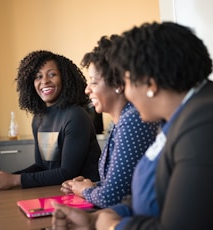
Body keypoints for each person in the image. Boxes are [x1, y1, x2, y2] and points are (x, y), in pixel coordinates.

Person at [51, 22, 213, 230]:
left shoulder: (212, 124)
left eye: (126, 82)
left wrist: (111, 225)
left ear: (150, 84)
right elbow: (158, 193)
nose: (125, 93)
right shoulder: (182, 114)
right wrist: (97, 218)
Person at [60, 35, 158, 208]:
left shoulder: (132, 120)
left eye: (94, 82)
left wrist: (84, 191)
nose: (87, 89)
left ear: (118, 84)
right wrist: (89, 186)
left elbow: (111, 198)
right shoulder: (121, 121)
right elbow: (124, 186)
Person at [0, 50, 101, 190]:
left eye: (52, 74)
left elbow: (67, 172)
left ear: (64, 78)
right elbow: (41, 166)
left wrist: (15, 180)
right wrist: (9, 177)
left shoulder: (75, 116)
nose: (44, 81)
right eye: (38, 77)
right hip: (53, 190)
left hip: (84, 195)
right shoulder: (38, 118)